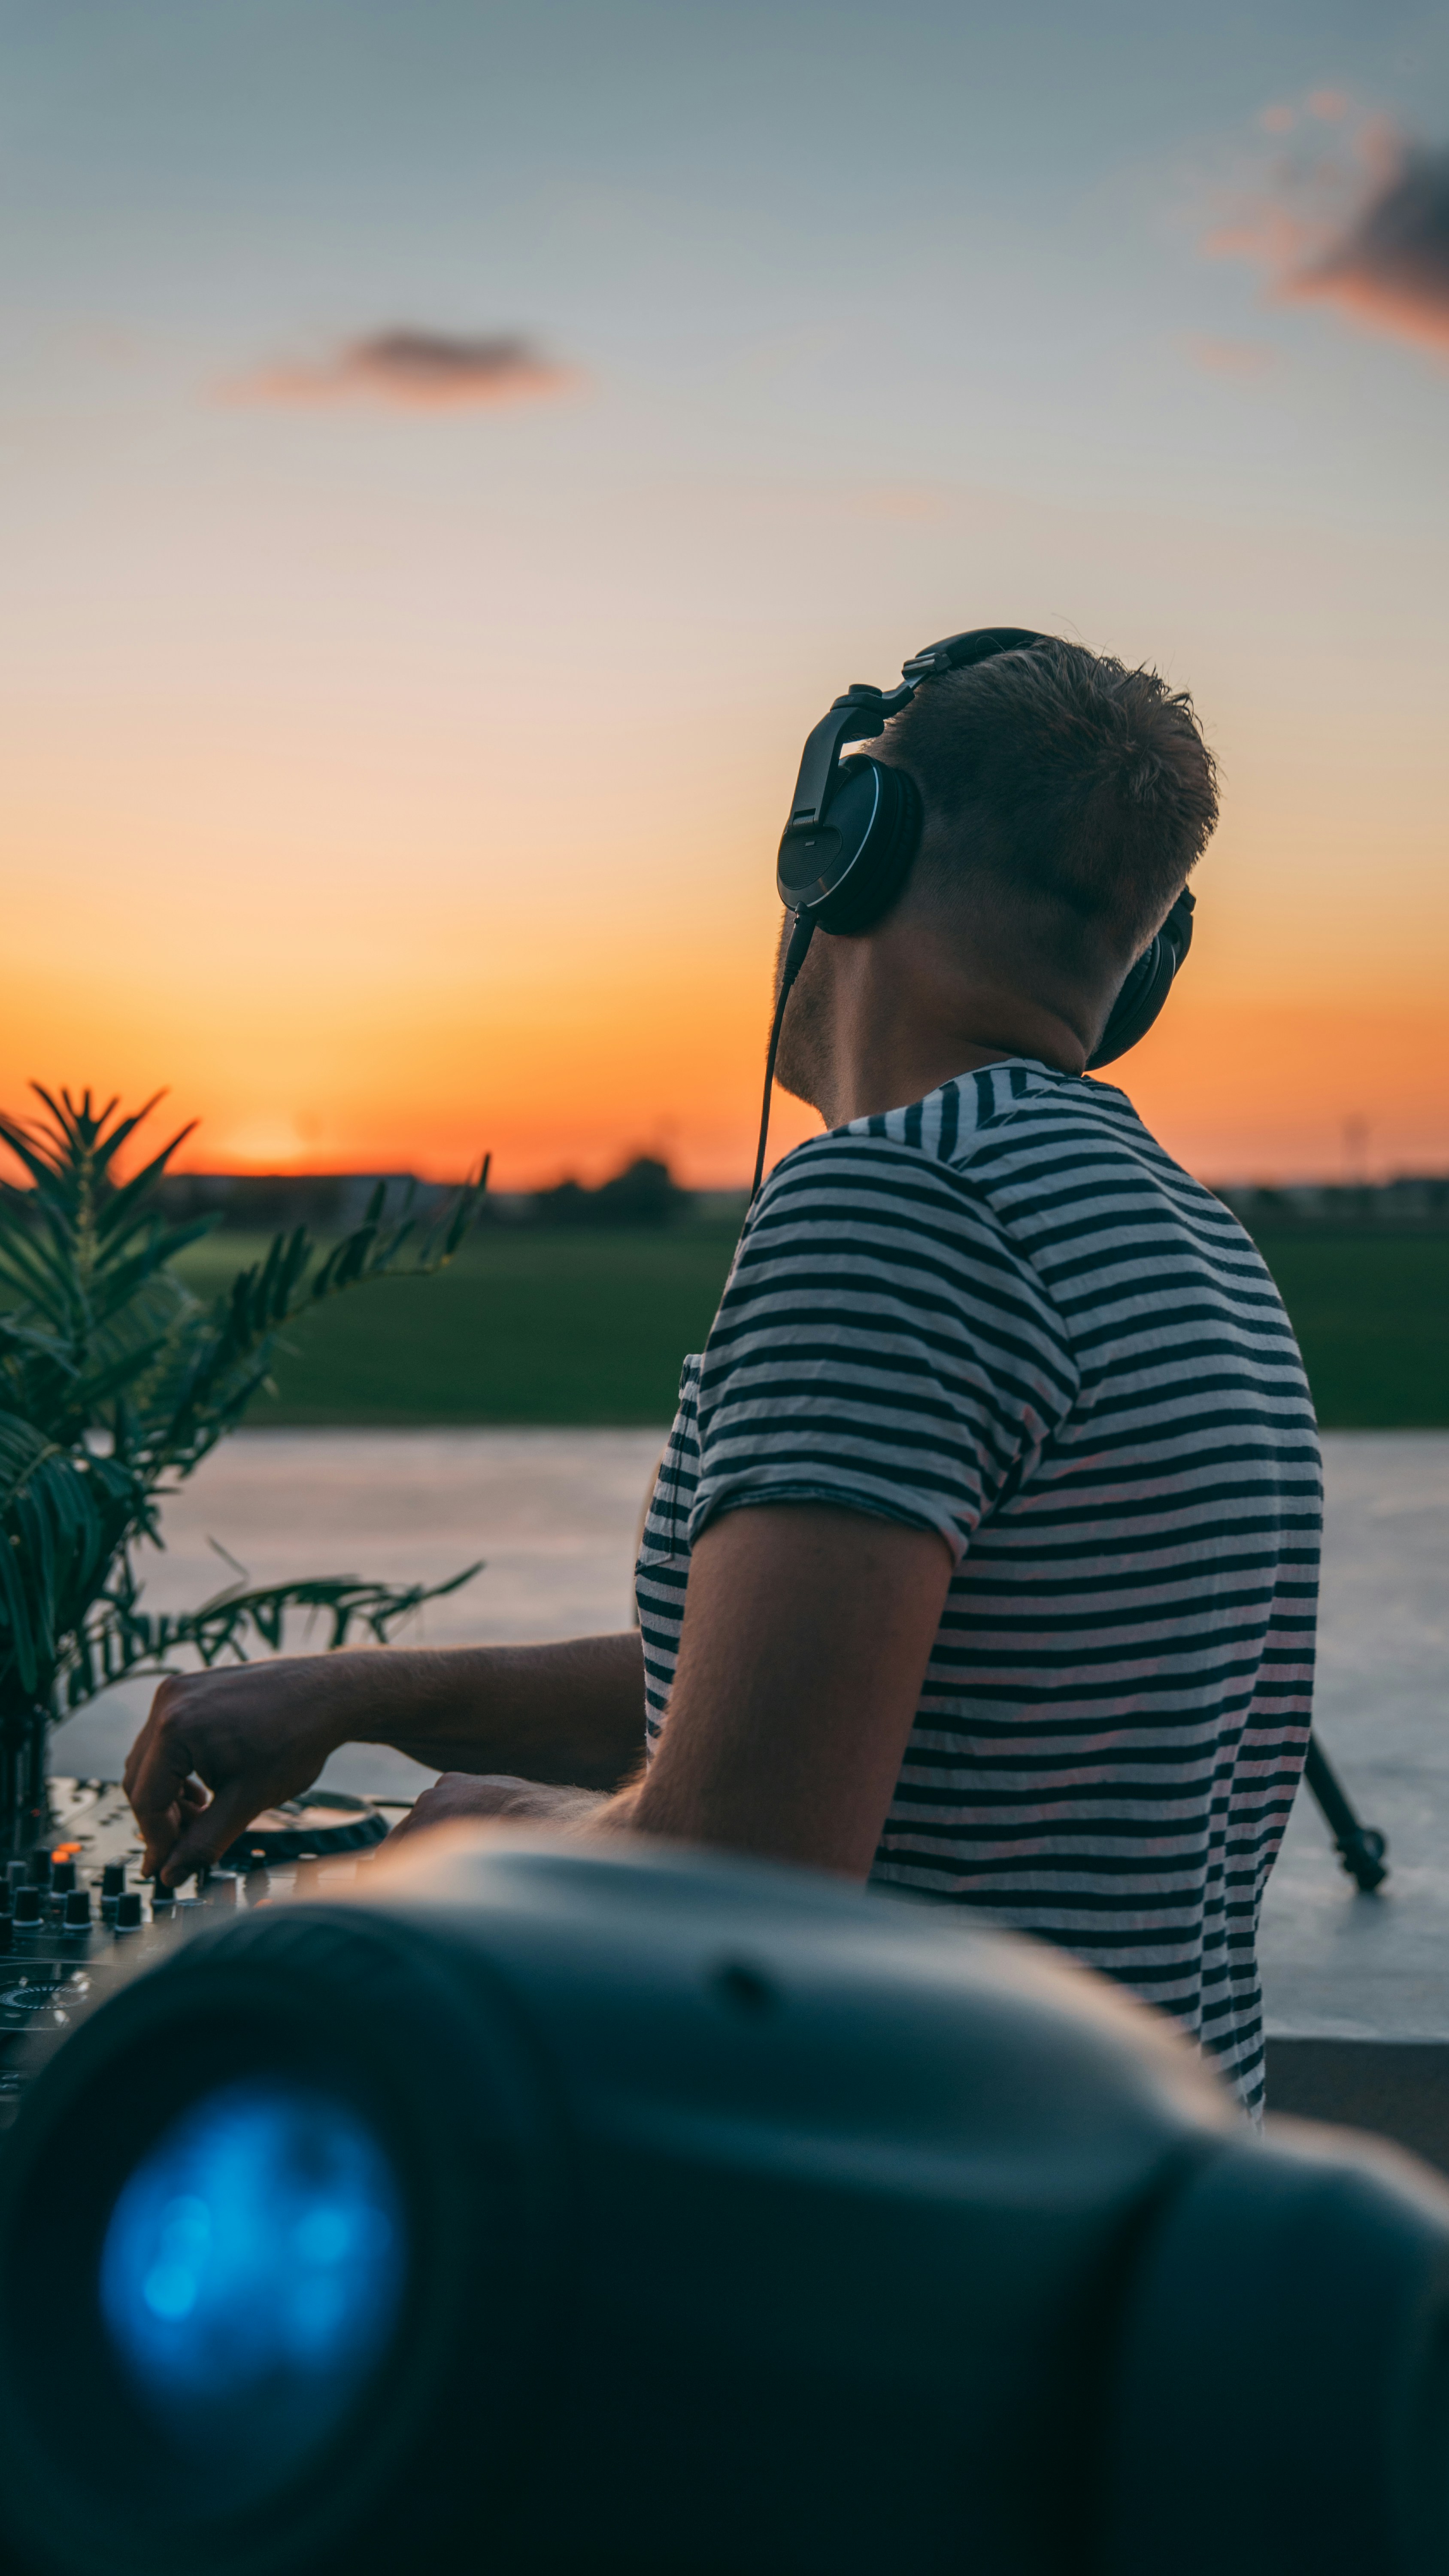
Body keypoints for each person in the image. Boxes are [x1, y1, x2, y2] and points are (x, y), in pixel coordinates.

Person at [124, 638, 1320, 2117]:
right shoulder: (1185, 1237)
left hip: (888, 2241)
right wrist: (364, 1691)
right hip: (1099, 2210)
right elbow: (821, 1691)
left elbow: (740, 1871)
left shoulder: (897, 1208)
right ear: (1146, 956)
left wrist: (485, 1841)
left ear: (845, 853)